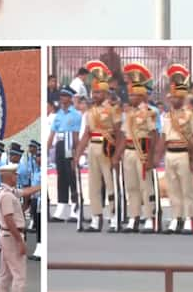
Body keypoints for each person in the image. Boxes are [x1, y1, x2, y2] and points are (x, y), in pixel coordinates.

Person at [154, 64, 193, 235]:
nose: (172, 100)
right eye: (171, 97)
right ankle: (176, 217)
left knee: (187, 188)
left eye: (176, 97)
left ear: (182, 98)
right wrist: (157, 157)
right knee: (173, 187)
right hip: (169, 154)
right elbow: (163, 138)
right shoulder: (166, 116)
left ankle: (189, 218)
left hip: (184, 153)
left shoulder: (190, 115)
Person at [74, 60, 121, 232]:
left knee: (110, 183)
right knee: (93, 184)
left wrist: (117, 154)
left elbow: (118, 132)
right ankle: (96, 217)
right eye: (93, 92)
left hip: (107, 146)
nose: (94, 95)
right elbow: (86, 133)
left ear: (105, 93)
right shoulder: (90, 111)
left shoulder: (113, 109)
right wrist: (78, 154)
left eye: (98, 92)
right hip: (93, 148)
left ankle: (114, 216)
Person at [114, 62, 157, 233]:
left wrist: (152, 157)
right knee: (131, 186)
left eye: (132, 95)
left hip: (143, 150)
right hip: (130, 152)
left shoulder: (149, 112)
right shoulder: (129, 114)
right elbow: (125, 135)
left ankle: (149, 217)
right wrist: (117, 155)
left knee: (145, 186)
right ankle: (133, 217)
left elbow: (154, 135)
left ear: (140, 96)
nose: (129, 97)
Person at [0, 163, 41, 292]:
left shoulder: (6, 191)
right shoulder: (7, 195)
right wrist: (20, 241)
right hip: (12, 236)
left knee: (5, 274)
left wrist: (40, 186)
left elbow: (24, 192)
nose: (16, 176)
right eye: (14, 174)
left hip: (6, 235)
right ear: (8, 176)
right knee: (19, 274)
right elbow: (9, 220)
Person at [47, 86, 82, 222]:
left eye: (65, 96)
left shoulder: (75, 115)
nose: (62, 98)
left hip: (70, 145)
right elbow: (52, 134)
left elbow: (76, 136)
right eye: (61, 95)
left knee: (71, 176)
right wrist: (47, 149)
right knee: (61, 176)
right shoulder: (59, 114)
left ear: (70, 98)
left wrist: (76, 154)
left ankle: (75, 209)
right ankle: (61, 208)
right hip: (60, 145)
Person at [29, 148, 42, 260]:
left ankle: (41, 248)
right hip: (34, 199)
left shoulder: (42, 172)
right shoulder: (36, 171)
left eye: (40, 156)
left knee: (40, 223)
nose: (38, 159)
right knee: (37, 224)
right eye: (37, 157)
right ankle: (38, 247)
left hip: (41, 200)